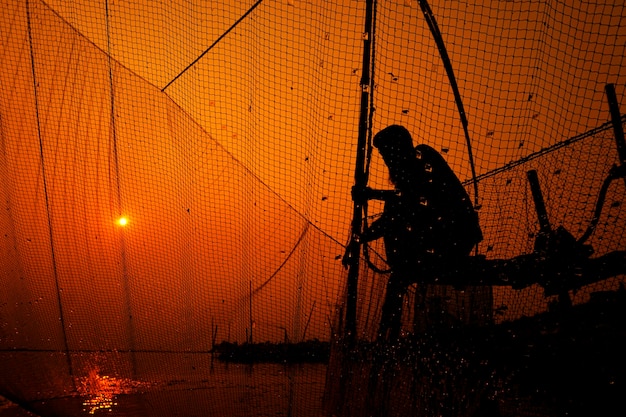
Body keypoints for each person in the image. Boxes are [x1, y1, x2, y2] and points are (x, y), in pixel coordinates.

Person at [355, 125, 482, 341]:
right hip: (438, 238)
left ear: (400, 147)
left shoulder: (424, 157)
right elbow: (392, 216)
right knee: (395, 221)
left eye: (388, 153)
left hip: (455, 235)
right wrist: (360, 238)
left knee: (398, 217)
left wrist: (373, 194)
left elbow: (418, 197)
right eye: (383, 155)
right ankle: (389, 329)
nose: (386, 160)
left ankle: (405, 273)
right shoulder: (404, 180)